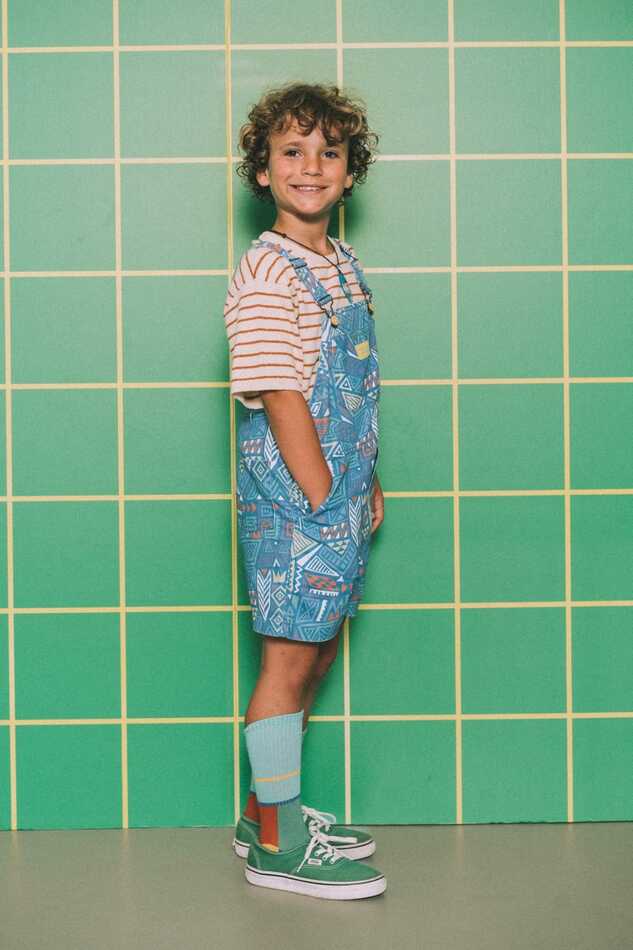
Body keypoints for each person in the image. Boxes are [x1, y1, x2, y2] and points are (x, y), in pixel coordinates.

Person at [223, 81, 386, 901]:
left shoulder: (339, 265)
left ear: (350, 171)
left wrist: (364, 483)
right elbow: (281, 392)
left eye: (329, 152)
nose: (311, 166)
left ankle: (267, 811)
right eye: (291, 151)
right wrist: (324, 494)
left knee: (314, 650)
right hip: (296, 500)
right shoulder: (267, 271)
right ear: (262, 170)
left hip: (335, 491)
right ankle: (277, 848)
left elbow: (351, 394)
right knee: (286, 660)